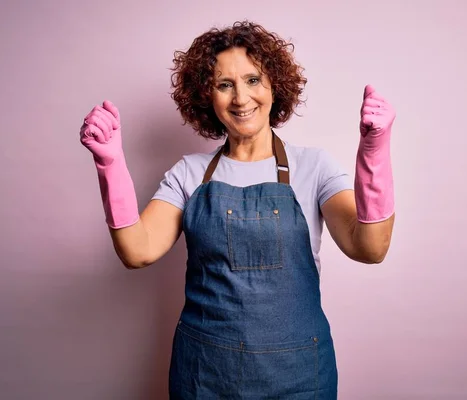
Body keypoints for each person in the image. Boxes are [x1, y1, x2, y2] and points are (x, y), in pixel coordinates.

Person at [79, 20, 395, 400]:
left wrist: (374, 152)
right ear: (207, 97)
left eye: (253, 80)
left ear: (275, 86)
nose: (241, 98)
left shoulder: (315, 167)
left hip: (299, 376)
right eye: (224, 85)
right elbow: (137, 250)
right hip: (205, 376)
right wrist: (110, 165)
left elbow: (370, 247)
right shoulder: (189, 173)